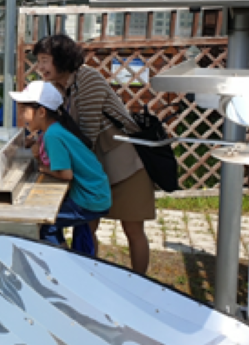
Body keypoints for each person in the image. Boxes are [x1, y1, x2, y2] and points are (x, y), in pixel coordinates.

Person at [32, 34, 156, 273]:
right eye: (38, 60)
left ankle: (142, 284)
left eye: (45, 60)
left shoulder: (86, 79)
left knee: (132, 229)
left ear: (61, 58)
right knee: (86, 228)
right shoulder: (61, 87)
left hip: (125, 165)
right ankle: (89, 276)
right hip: (94, 167)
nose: (40, 67)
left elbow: (84, 135)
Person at [11, 81, 111, 245]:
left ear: (41, 112)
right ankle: (75, 257)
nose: (21, 115)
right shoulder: (54, 130)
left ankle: (58, 261)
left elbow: (65, 174)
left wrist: (43, 168)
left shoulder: (53, 136)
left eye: (25, 110)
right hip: (97, 193)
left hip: (88, 198)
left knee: (45, 223)